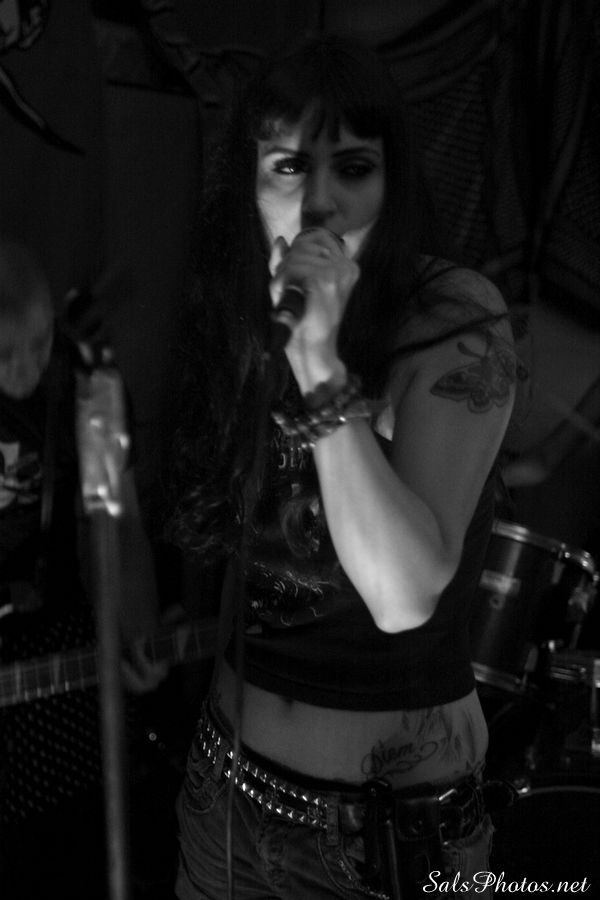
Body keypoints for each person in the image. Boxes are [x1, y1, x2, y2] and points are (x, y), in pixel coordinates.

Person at [168, 36, 519, 900]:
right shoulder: (240, 309)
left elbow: (403, 596)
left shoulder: (452, 318)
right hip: (225, 794)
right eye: (289, 167)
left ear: (393, 183)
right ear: (250, 184)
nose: (319, 201)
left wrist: (322, 368)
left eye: (353, 168)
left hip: (382, 829)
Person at [0, 237, 167, 898]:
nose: (25, 369)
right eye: (4, 355)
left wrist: (139, 633)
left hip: (59, 653)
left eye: (39, 344)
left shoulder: (83, 380)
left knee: (72, 859)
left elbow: (118, 521)